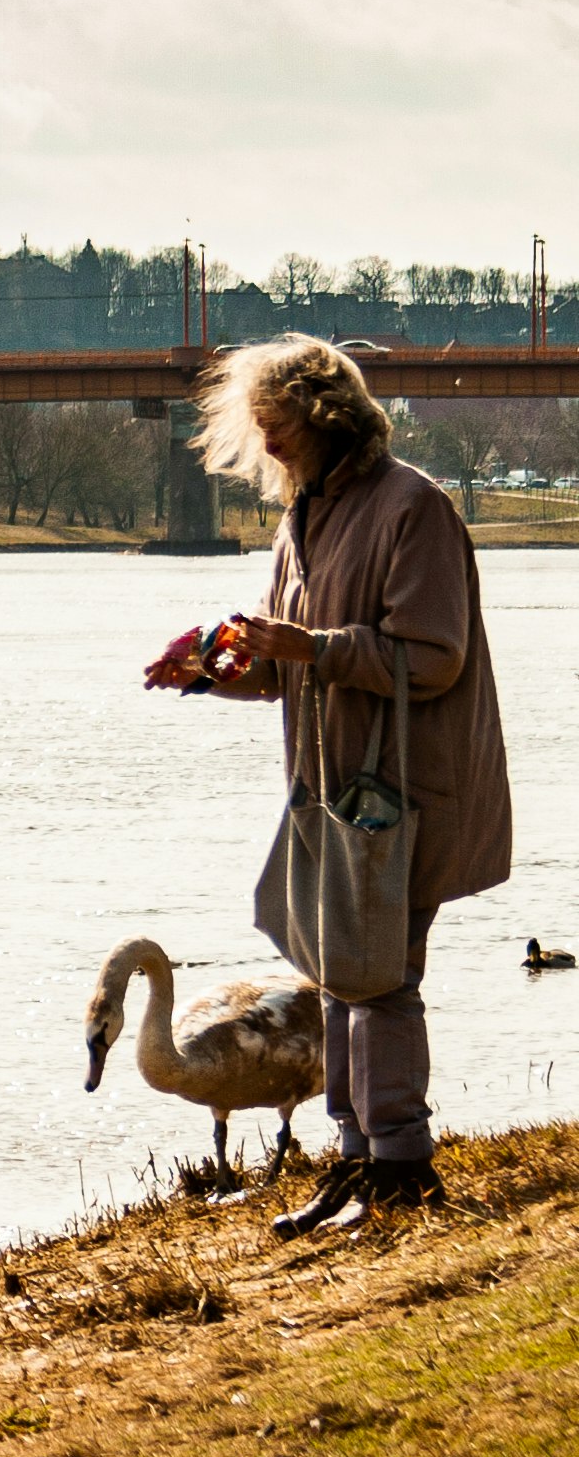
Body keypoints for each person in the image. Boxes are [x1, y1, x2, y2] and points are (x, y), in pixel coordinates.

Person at [144, 337, 510, 1231]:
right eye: (258, 428)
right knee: (338, 974)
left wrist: (311, 648)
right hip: (333, 792)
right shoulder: (302, 516)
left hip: (407, 792)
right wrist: (211, 669)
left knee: (379, 979)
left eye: (276, 426)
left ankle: (400, 1167)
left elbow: (433, 656)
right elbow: (287, 670)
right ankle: (357, 1160)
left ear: (326, 416)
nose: (265, 446)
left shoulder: (410, 508)